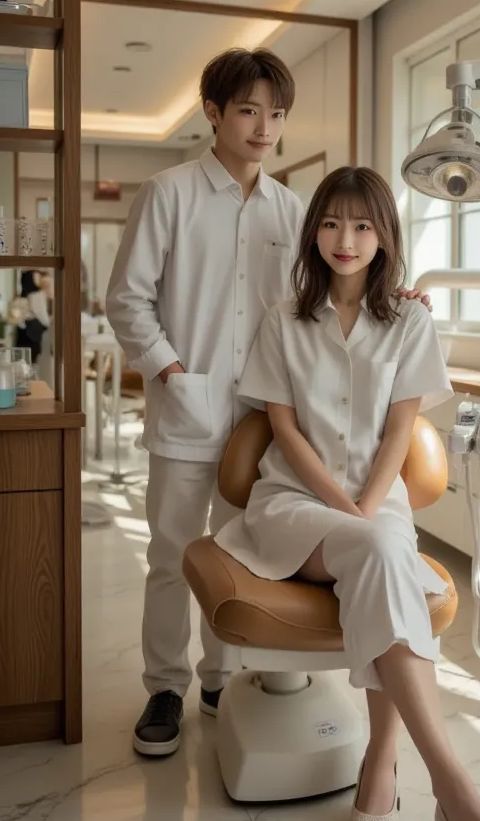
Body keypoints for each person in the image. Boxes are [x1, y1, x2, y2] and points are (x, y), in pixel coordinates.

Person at [105, 47, 430, 759]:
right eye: (248, 110)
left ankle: (219, 677)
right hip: (189, 410)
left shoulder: (292, 210)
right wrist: (171, 369)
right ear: (215, 113)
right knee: (171, 553)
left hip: (270, 426)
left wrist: (397, 298)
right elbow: (126, 297)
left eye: (275, 114)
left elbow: (324, 293)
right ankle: (164, 686)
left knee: (244, 556)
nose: (263, 128)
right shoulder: (170, 193)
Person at [215, 167, 480, 821]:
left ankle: (381, 767)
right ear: (313, 231)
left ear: (384, 234)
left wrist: (366, 508)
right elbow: (285, 432)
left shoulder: (410, 319)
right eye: (331, 223)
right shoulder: (284, 319)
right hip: (295, 506)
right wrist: (345, 507)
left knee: (383, 556)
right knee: (384, 556)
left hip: (375, 507)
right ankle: (454, 793)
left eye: (361, 225)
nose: (345, 239)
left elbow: (399, 431)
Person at [10, 269, 50, 365]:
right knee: (29, 363)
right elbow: (43, 318)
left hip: (23, 332)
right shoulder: (37, 295)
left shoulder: (23, 296)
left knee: (20, 362)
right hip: (32, 334)